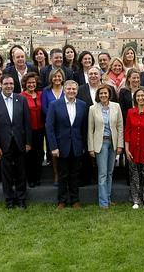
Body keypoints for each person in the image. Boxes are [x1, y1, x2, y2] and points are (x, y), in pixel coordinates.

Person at [0, 74, 32, 209]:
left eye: (11, 84)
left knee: (21, 172)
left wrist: (28, 142)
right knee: (6, 174)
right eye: (6, 84)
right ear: (1, 84)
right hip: (3, 144)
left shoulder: (21, 99)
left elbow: (27, 123)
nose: (9, 86)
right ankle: (9, 200)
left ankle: (21, 198)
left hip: (19, 142)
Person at [46, 80, 88, 210]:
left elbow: (84, 127)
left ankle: (75, 200)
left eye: (74, 89)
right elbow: (50, 127)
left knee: (75, 174)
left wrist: (84, 146)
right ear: (64, 90)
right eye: (69, 89)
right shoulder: (54, 105)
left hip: (77, 145)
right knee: (63, 175)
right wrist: (53, 147)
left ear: (77, 91)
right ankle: (62, 201)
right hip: (61, 146)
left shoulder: (82, 105)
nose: (71, 91)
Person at [87, 84, 124, 208]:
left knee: (109, 172)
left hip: (113, 143)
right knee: (102, 173)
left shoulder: (116, 106)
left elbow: (120, 127)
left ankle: (108, 199)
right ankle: (103, 203)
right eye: (101, 93)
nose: (103, 95)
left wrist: (120, 145)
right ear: (98, 95)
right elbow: (90, 130)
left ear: (109, 94)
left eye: (105, 93)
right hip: (100, 143)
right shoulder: (93, 108)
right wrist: (91, 148)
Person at [20, 72, 45, 188]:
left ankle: (38, 177)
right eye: (29, 82)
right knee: (29, 156)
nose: (31, 84)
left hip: (40, 130)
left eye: (33, 82)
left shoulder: (41, 94)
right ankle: (30, 179)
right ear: (25, 84)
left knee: (39, 155)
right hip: (27, 131)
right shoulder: (21, 96)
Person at [41, 68, 66, 185]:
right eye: (55, 76)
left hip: (65, 125)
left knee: (65, 150)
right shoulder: (46, 91)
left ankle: (65, 174)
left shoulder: (66, 90)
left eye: (59, 76)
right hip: (51, 125)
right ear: (51, 78)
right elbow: (44, 108)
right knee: (54, 151)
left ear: (62, 78)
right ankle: (56, 174)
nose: (57, 78)